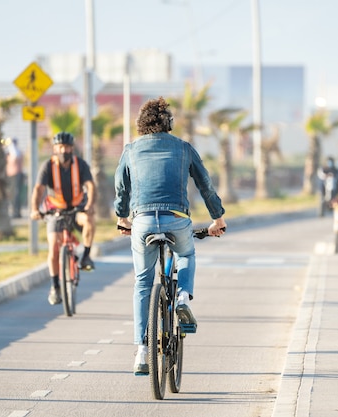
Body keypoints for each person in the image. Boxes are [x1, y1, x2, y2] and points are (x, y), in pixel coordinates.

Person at [114, 97, 227, 375]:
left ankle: (142, 351)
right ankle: (183, 299)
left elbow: (121, 187)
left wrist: (122, 217)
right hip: (177, 219)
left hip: (141, 222)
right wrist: (217, 218)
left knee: (143, 282)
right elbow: (205, 185)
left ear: (141, 125)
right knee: (186, 253)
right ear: (169, 124)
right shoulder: (184, 148)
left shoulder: (130, 150)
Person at [29, 132, 96, 306]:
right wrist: (35, 209)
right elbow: (38, 189)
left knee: (89, 221)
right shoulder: (47, 166)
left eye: (66, 147)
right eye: (60, 147)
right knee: (53, 249)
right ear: (54, 148)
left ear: (72, 148)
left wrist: (89, 205)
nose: (63, 150)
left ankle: (86, 256)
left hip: (77, 208)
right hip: (55, 211)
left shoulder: (80, 165)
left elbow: (90, 185)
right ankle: (55, 287)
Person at [6, 138, 25, 218]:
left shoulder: (15, 151)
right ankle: (14, 211)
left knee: (15, 194)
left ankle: (16, 212)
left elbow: (15, 157)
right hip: (11, 175)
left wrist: (10, 144)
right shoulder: (11, 152)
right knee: (12, 195)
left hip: (16, 175)